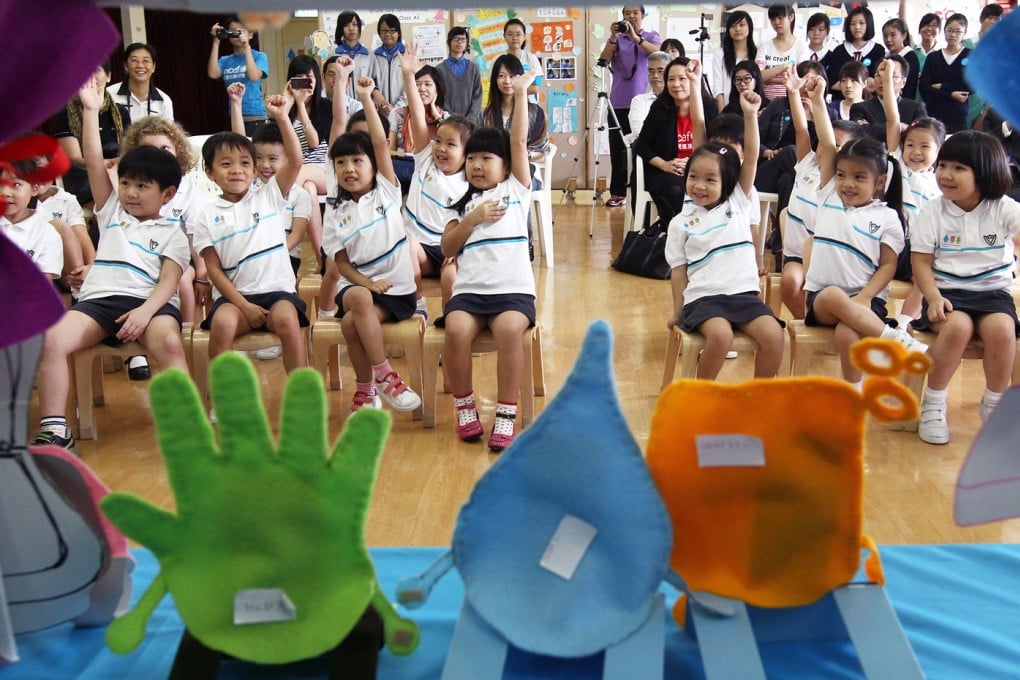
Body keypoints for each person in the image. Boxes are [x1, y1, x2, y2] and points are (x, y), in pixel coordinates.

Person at [33, 74, 190, 450]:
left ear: (167, 194)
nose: (131, 193)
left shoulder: (173, 231)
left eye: (143, 187)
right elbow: (90, 162)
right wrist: (90, 110)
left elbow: (169, 281)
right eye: (127, 184)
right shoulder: (111, 209)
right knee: (52, 340)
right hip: (99, 302)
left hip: (150, 306)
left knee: (169, 344)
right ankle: (56, 427)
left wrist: (145, 312)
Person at [801, 73, 926, 388]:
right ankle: (892, 339)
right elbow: (829, 145)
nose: (847, 183)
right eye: (842, 175)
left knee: (848, 332)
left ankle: (853, 392)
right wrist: (818, 101)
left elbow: (888, 265)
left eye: (859, 177)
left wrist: (865, 298)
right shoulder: (829, 194)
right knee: (832, 295)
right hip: (822, 299)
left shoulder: (887, 218)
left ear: (879, 182)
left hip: (869, 299)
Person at [665, 61, 784, 380]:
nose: (700, 185)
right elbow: (678, 273)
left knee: (774, 336)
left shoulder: (737, 198)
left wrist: (749, 114)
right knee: (720, 337)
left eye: (710, 179)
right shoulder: (683, 220)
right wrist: (677, 312)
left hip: (744, 294)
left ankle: (759, 400)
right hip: (705, 298)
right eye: (693, 178)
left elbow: (754, 156)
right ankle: (701, 398)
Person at [442, 71, 537, 452]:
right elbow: (448, 244)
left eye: (487, 158)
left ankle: (506, 411)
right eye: (473, 159)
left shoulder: (517, 190)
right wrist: (473, 218)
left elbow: (517, 139)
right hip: (470, 293)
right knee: (456, 330)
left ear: (505, 165)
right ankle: (465, 405)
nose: (478, 166)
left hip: (512, 292)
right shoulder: (462, 204)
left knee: (510, 330)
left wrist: (521, 94)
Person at [911, 130, 1019, 444]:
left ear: (985, 173)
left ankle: (994, 404)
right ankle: (933, 403)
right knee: (956, 328)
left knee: (1003, 330)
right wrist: (932, 298)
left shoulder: (1002, 207)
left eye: (958, 168)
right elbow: (920, 262)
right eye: (943, 165)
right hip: (947, 294)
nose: (945, 174)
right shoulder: (932, 210)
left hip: (993, 295)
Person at [322, 76, 422, 417]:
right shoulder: (334, 210)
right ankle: (386, 376)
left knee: (351, 325)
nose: (349, 169)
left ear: (373, 166)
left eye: (357, 162)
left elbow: (380, 142)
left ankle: (365, 392)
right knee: (359, 298)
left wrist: (365, 96)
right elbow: (341, 263)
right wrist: (367, 283)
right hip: (359, 287)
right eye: (341, 163)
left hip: (398, 293)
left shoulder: (387, 190)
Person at [194, 90, 309, 384]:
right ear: (209, 172)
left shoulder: (269, 195)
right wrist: (243, 305)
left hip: (277, 291)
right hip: (236, 299)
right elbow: (214, 270)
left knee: (287, 320)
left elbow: (295, 160)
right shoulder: (206, 214)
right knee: (221, 325)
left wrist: (283, 117)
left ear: (256, 169)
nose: (237, 171)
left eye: (245, 163)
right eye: (226, 164)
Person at [781, 64, 867, 319]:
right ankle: (805, 321)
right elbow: (801, 129)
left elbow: (829, 144)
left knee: (832, 296)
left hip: (826, 258)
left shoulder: (836, 182)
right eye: (824, 143)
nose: (826, 149)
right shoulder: (808, 162)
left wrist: (818, 102)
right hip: (796, 255)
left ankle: (822, 320)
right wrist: (794, 94)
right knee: (789, 282)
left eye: (841, 147)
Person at [399, 46, 473, 326]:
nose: (440, 148)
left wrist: (456, 252)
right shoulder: (424, 159)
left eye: (450, 144)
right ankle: (417, 306)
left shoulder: (469, 181)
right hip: (417, 246)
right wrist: (409, 76)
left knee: (451, 278)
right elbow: (417, 115)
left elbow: (469, 224)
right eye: (438, 141)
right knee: (405, 246)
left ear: (466, 153)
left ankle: (450, 324)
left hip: (446, 249)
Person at [878, 59, 945, 327]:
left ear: (939, 151)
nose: (916, 152)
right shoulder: (898, 168)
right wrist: (887, 79)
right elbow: (893, 119)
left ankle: (905, 323)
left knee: (929, 275)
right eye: (911, 145)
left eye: (925, 147)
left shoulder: (940, 182)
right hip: (894, 245)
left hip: (921, 249)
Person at [228, 97, 310, 278]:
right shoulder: (246, 188)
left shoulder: (300, 195)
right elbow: (240, 144)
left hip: (284, 256)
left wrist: (270, 253)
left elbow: (296, 236)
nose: (264, 165)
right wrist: (236, 104)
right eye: (258, 158)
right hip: (248, 257)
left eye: (273, 159)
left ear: (287, 159)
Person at [598, 4, 662, 208]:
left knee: (643, 147)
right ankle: (617, 192)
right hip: (617, 103)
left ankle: (640, 188)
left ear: (643, 16)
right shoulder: (617, 39)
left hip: (646, 102)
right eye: (627, 13)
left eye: (635, 13)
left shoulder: (651, 36)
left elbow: (659, 54)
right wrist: (613, 37)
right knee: (618, 150)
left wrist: (636, 38)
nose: (631, 16)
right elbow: (603, 59)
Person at [52, 59, 130, 206]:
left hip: (117, 168)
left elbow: (129, 149)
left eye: (96, 70)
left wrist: (115, 164)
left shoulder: (121, 112)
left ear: (108, 76)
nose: (90, 76)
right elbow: (74, 156)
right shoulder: (65, 112)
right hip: (83, 172)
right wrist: (103, 165)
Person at [635, 56, 698, 226]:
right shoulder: (659, 108)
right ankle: (673, 235)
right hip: (664, 171)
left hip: (699, 171)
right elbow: (642, 145)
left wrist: (692, 165)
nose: (676, 84)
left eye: (682, 78)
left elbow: (714, 146)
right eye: (671, 79)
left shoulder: (707, 107)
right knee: (675, 189)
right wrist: (665, 165)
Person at [282, 55, 328, 271]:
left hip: (323, 169)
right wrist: (287, 106)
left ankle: (278, 201)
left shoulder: (324, 107)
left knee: (295, 182)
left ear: (316, 79)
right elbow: (280, 144)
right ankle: (322, 259)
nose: (304, 83)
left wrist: (301, 105)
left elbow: (313, 142)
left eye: (308, 77)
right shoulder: (285, 110)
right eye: (298, 78)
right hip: (302, 176)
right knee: (307, 191)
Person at [482, 55, 550, 166]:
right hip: (494, 170)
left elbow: (543, 154)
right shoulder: (486, 115)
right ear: (495, 80)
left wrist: (522, 155)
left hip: (527, 169)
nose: (507, 81)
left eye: (512, 76)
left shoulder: (536, 113)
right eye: (501, 76)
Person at [207, 16, 269, 136]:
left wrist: (246, 46)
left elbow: (253, 76)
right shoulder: (225, 60)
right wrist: (216, 41)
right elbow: (213, 73)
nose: (236, 35)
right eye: (233, 31)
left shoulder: (259, 56)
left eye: (240, 31)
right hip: (234, 115)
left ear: (250, 34)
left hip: (254, 116)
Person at [1, 167, 64, 280]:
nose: (5, 192)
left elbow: (42, 287)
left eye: (16, 185)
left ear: (34, 188)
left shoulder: (47, 234)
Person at [850, 54, 927, 141]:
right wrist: (901, 127)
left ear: (903, 82)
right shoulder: (859, 108)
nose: (884, 79)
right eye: (879, 75)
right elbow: (858, 133)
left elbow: (920, 135)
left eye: (891, 75)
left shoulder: (916, 108)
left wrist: (872, 128)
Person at [919, 13, 972, 134]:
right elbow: (924, 88)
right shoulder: (933, 57)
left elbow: (971, 86)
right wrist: (952, 95)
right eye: (950, 30)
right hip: (934, 113)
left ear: (964, 33)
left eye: (958, 31)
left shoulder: (970, 55)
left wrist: (942, 86)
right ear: (944, 31)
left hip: (958, 115)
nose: (953, 35)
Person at [823, 6, 885, 102]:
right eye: (852, 24)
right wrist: (862, 86)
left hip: (871, 102)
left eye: (861, 23)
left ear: (869, 24)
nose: (857, 27)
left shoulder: (878, 50)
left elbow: (877, 81)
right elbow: (832, 81)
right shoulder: (839, 51)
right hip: (841, 102)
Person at [107, 43, 174, 122]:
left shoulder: (164, 101)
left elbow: (168, 132)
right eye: (134, 60)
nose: (140, 65)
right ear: (126, 66)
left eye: (146, 60)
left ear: (153, 67)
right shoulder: (109, 95)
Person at [757, 4, 808, 103]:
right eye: (773, 19)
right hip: (766, 102)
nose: (776, 22)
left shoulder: (801, 45)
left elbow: (800, 78)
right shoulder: (764, 46)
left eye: (780, 18)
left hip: (792, 101)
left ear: (791, 17)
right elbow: (758, 76)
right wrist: (784, 66)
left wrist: (770, 79)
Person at [712, 11, 757, 122]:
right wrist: (723, 114)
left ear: (750, 27)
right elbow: (718, 87)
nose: (737, 29)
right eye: (733, 26)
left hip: (753, 109)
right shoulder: (720, 55)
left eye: (742, 25)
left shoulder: (758, 54)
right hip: (729, 110)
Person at [966, 4, 1003, 129]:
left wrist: (985, 113)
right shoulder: (964, 44)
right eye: (990, 17)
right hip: (962, 102)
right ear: (982, 19)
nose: (993, 22)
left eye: (997, 19)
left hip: (984, 105)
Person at [435, 26, 482, 124]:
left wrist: (470, 120)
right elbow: (439, 97)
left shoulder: (473, 68)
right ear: (449, 42)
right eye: (456, 39)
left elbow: (477, 96)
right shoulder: (439, 69)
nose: (459, 42)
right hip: (448, 122)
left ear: (467, 43)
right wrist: (452, 119)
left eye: (463, 40)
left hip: (471, 124)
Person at [369, 14, 407, 117]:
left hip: (403, 112)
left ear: (398, 33)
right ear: (379, 33)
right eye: (384, 31)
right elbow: (369, 79)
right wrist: (375, 91)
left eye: (392, 30)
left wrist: (396, 109)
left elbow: (412, 85)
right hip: (380, 112)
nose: (388, 34)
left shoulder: (407, 55)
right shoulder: (373, 56)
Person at [333, 10, 374, 99]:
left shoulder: (369, 55)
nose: (351, 28)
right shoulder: (334, 55)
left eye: (354, 24)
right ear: (341, 29)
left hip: (365, 104)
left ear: (359, 27)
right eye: (346, 25)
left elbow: (374, 81)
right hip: (343, 104)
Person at [628, 51, 669, 138]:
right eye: (651, 71)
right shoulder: (639, 100)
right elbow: (638, 131)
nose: (655, 76)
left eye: (660, 71)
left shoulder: (677, 99)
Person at [503, 18, 543, 101]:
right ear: (504, 37)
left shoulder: (532, 59)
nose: (514, 38)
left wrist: (510, 91)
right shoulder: (498, 59)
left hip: (529, 106)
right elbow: (494, 87)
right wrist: (522, 88)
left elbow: (535, 87)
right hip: (504, 105)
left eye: (518, 34)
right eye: (510, 34)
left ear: (524, 36)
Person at [882, 18, 920, 101]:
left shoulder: (910, 56)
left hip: (904, 103)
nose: (888, 39)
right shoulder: (885, 56)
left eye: (893, 35)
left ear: (904, 36)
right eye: (885, 35)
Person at [913, 12, 942, 84]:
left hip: (934, 94)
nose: (929, 28)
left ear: (939, 31)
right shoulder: (912, 52)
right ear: (919, 29)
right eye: (926, 25)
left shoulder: (942, 53)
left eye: (934, 26)